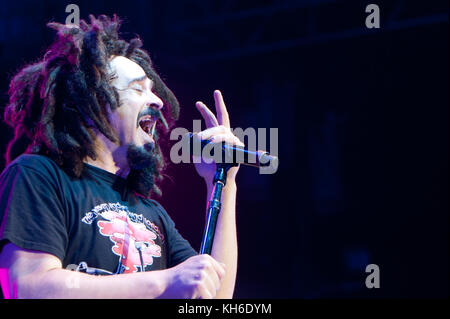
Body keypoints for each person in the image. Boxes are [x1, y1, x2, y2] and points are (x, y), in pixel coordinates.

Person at [0, 15, 242, 299]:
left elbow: (214, 300)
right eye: (138, 89)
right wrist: (163, 283)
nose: (159, 102)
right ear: (94, 103)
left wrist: (223, 183)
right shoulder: (38, 176)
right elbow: (30, 289)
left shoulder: (152, 213)